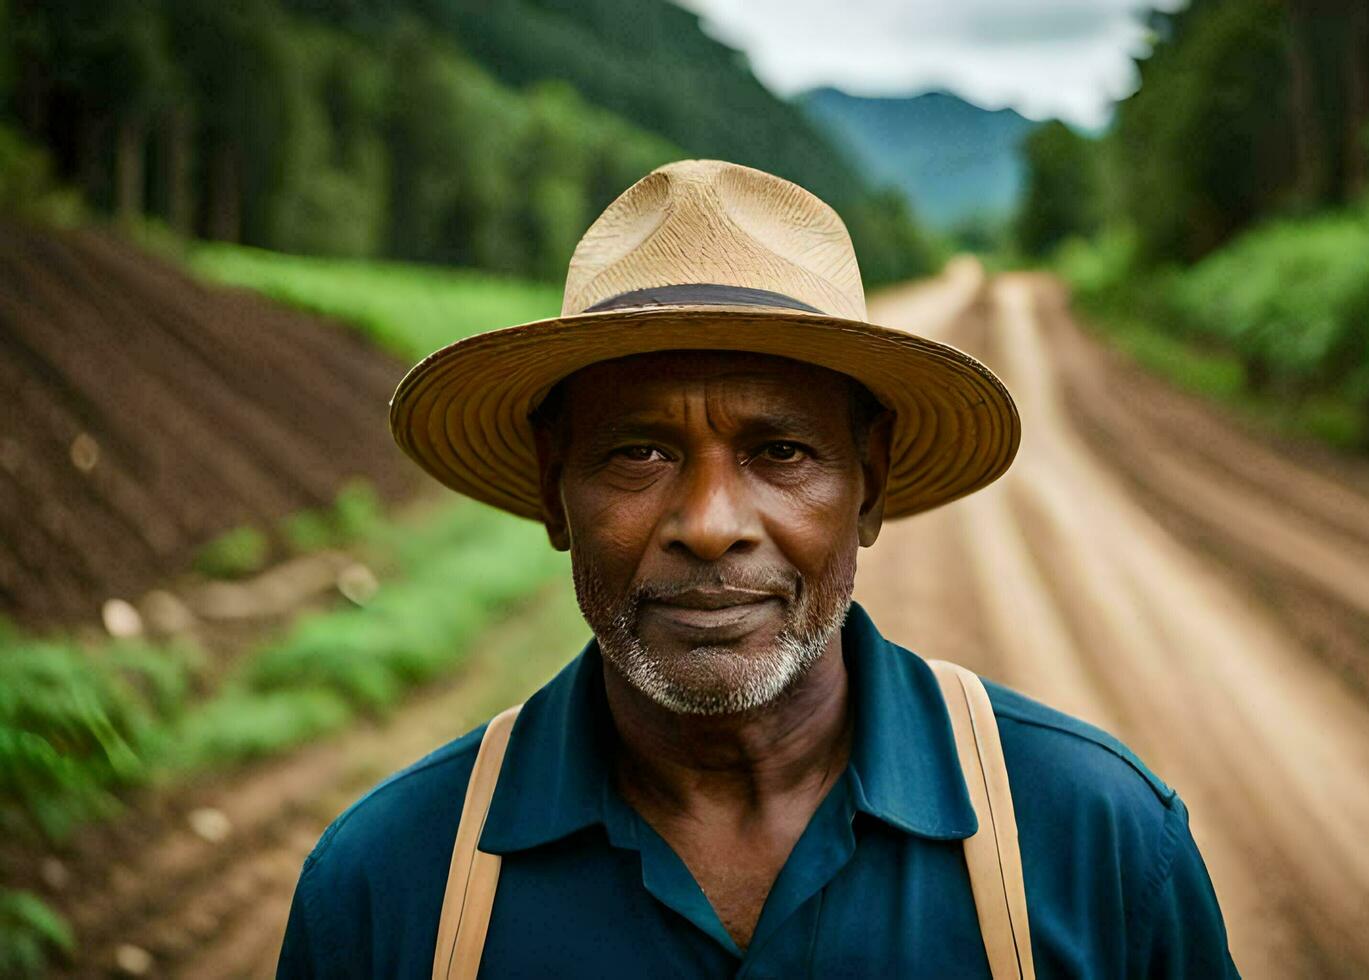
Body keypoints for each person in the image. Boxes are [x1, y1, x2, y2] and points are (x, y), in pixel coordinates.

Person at [277, 159, 1238, 978]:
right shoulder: (389, 889)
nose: (708, 524)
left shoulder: (1097, 844)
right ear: (550, 490)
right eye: (638, 453)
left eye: (779, 452)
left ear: (869, 488)